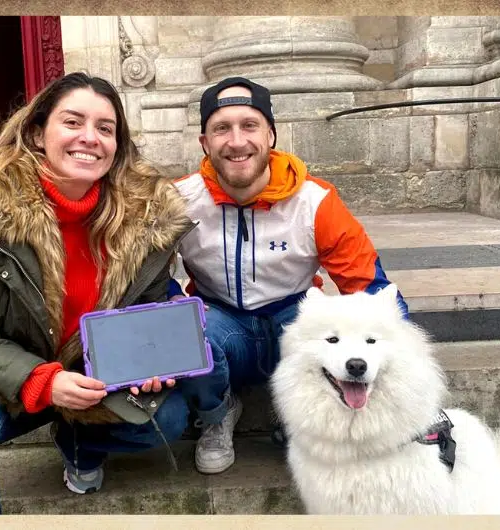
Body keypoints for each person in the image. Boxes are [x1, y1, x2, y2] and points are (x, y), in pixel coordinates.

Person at [0, 72, 195, 514]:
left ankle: (76, 439)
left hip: (91, 377)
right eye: (73, 122)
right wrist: (42, 380)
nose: (90, 138)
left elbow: (146, 311)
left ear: (117, 145)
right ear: (38, 133)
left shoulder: (145, 219)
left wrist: (151, 361)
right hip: (8, 374)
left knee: (170, 416)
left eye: (105, 128)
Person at [170, 76, 409, 474]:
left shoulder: (315, 201)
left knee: (320, 323)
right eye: (221, 129)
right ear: (204, 142)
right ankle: (217, 413)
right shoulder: (178, 200)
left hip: (293, 322)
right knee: (182, 325)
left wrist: (399, 363)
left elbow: (370, 287)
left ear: (271, 135)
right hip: (222, 327)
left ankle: (297, 412)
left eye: (249, 126)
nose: (236, 141)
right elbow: (144, 278)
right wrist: (175, 304)